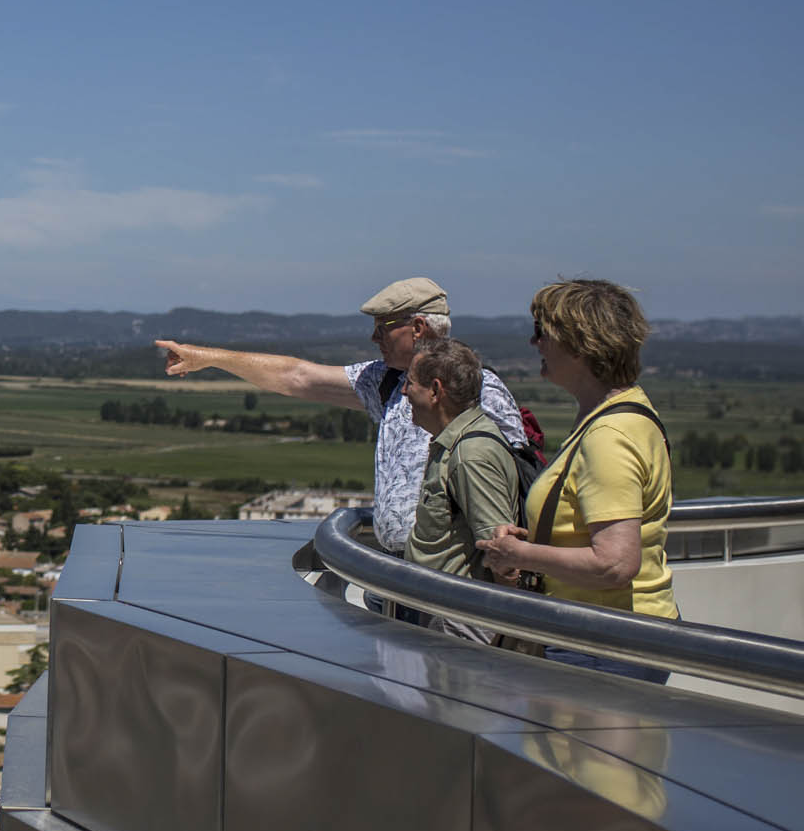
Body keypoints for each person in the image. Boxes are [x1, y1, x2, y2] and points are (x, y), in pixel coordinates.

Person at [158, 276, 526, 554]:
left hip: (453, 578)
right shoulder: (385, 381)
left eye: (383, 327)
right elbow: (296, 376)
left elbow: (503, 483)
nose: (374, 338)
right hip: (400, 571)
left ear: (417, 328)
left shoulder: (481, 390)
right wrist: (207, 358)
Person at [478, 279, 676, 682]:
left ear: (580, 345)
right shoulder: (626, 411)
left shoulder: (608, 437)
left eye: (542, 333)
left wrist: (518, 555)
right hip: (617, 634)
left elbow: (615, 564)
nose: (535, 344)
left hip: (602, 641)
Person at [401, 339, 524, 640]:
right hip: (451, 615)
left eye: (410, 383)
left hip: (460, 621)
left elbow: (501, 554)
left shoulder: (471, 455)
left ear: (435, 390)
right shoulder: (457, 444)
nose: (404, 392)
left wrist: (507, 632)